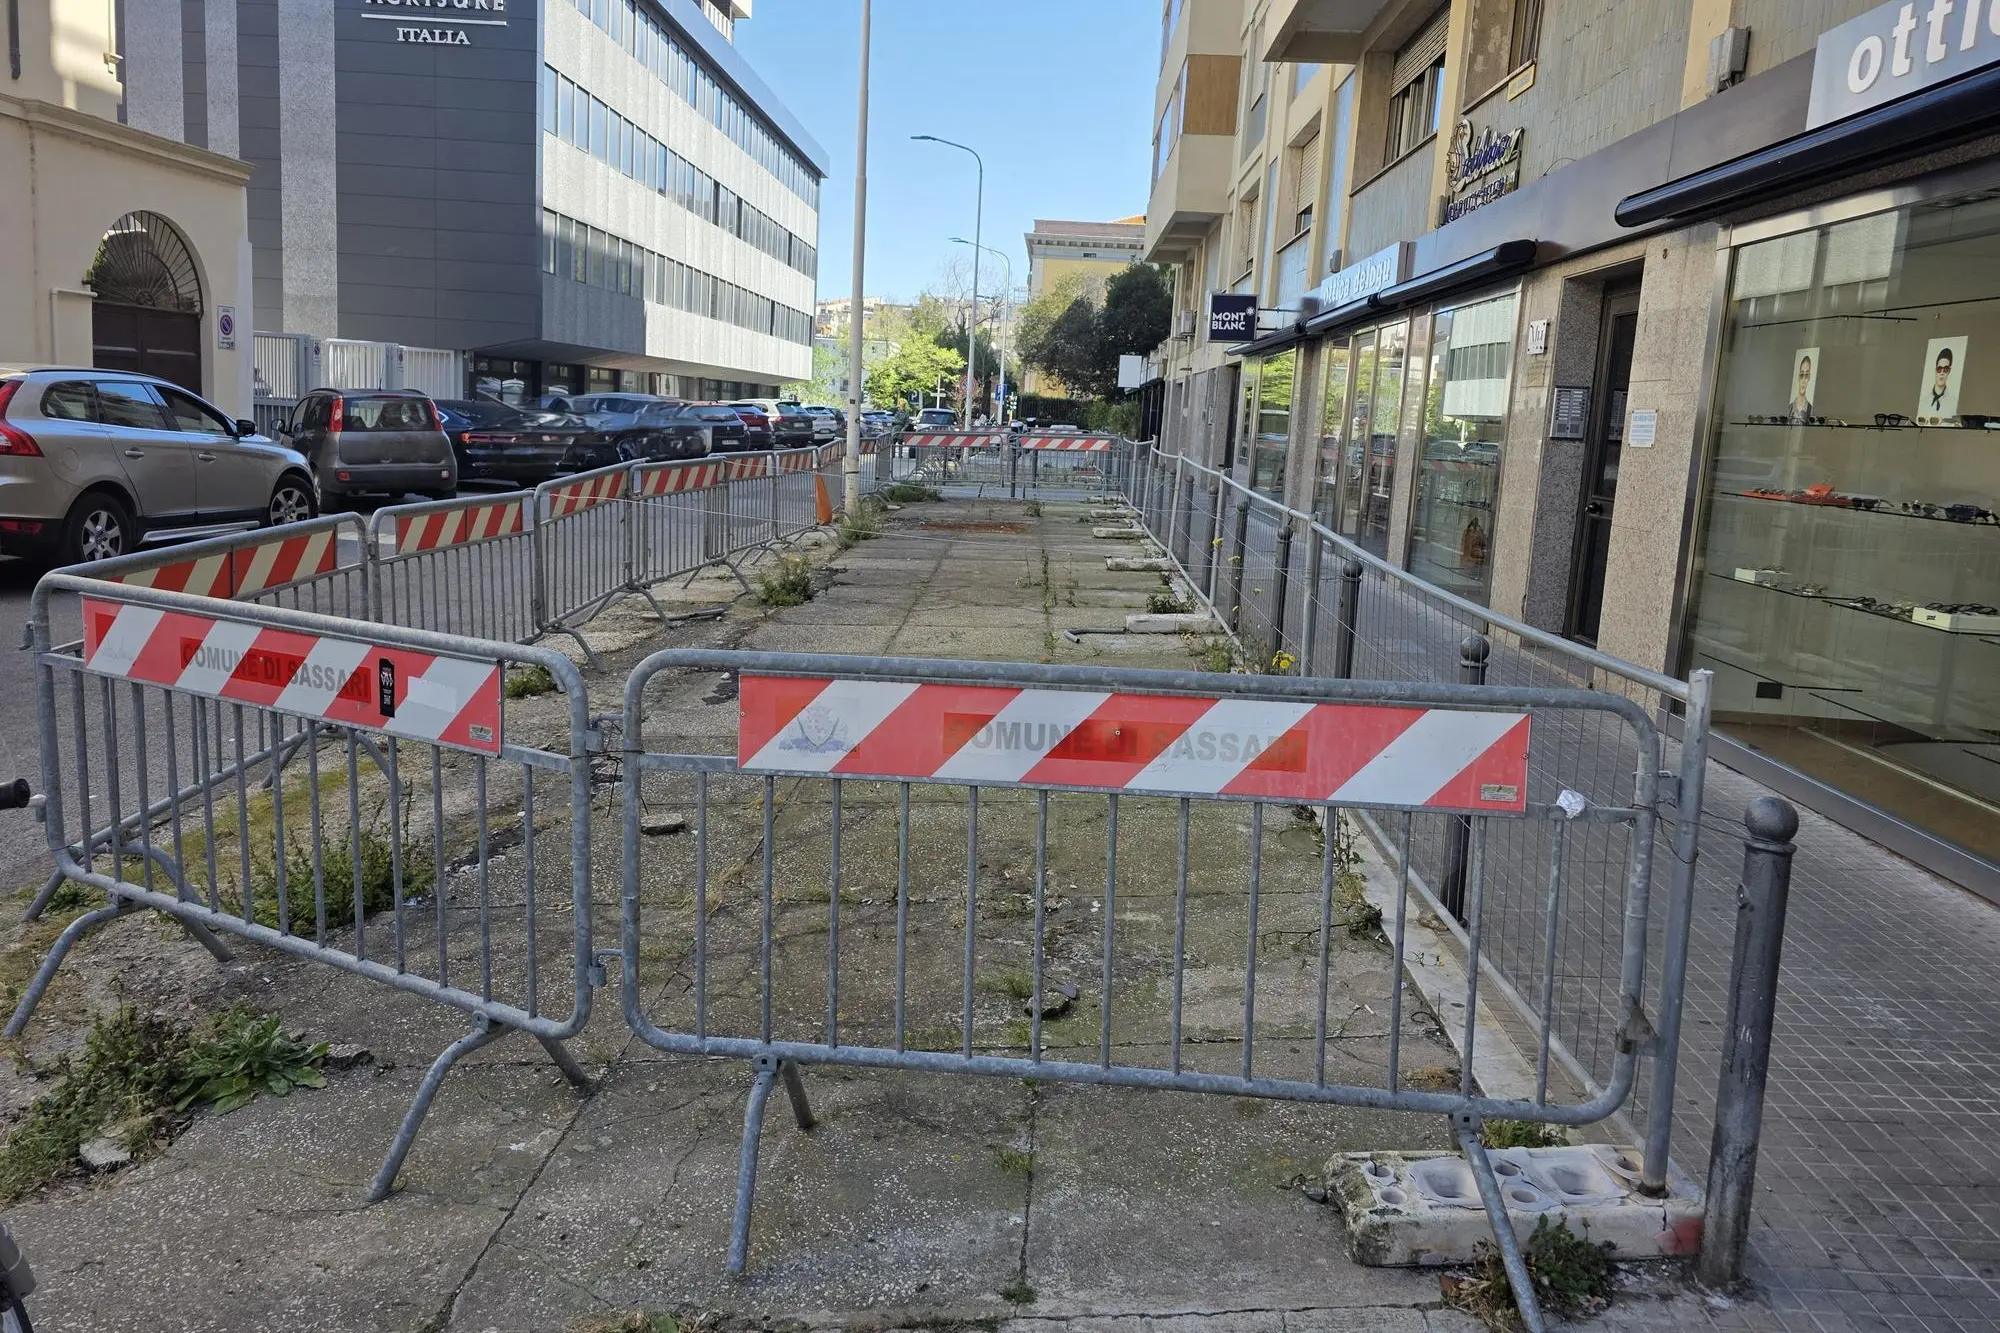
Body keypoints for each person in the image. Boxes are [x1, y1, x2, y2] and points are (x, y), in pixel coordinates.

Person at [1787, 354, 1814, 424]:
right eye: (1802, 375)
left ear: (1809, 378)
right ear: (1798, 377)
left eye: (1806, 375)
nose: (1803, 380)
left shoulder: (1811, 409)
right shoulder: (1789, 408)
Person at [1928, 346, 1954, 415]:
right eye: (1939, 369)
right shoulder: (1923, 401)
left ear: (1949, 371)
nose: (1942, 373)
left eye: (1945, 369)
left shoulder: (1953, 403)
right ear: (1935, 370)